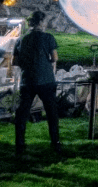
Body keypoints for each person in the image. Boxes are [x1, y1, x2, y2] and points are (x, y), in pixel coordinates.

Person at [13, 10, 61, 156]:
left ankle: (20, 143)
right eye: (45, 21)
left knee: (22, 112)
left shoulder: (21, 39)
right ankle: (55, 141)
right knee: (52, 112)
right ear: (41, 22)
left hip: (27, 80)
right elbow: (54, 58)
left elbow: (15, 61)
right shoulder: (48, 38)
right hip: (46, 79)